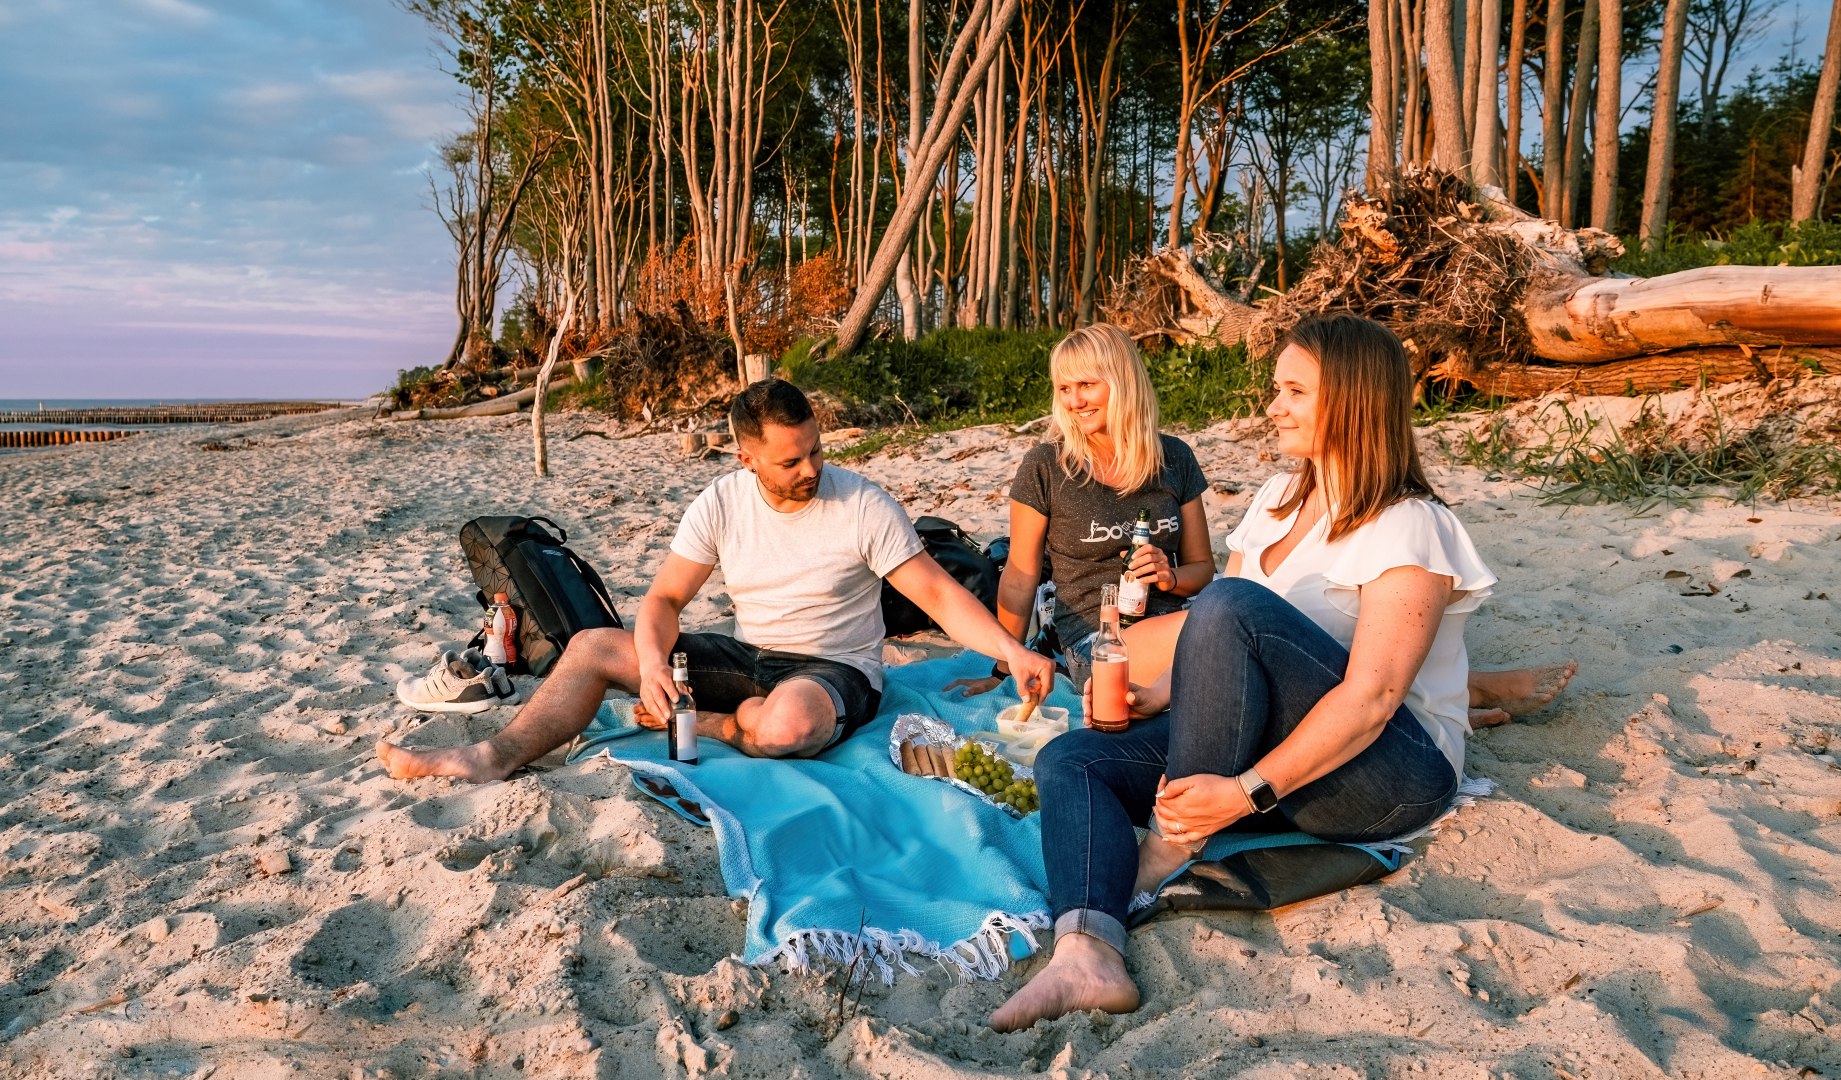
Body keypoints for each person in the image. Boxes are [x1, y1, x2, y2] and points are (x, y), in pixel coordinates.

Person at [990, 313, 1520, 1032]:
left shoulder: (1409, 524)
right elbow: (1215, 649)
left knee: (1230, 602)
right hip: (1277, 743)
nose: (1272, 407)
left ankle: (1175, 836)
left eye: (1294, 392)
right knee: (1071, 757)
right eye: (1277, 390)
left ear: (1354, 399)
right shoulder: (1274, 501)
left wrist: (1242, 795)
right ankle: (1088, 952)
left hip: (1390, 774)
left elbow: (1371, 700)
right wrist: (1157, 696)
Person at [379, 378, 1054, 783]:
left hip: (833, 669)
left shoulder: (862, 503)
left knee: (785, 726)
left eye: (816, 450)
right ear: (747, 456)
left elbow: (935, 591)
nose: (811, 468)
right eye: (792, 460)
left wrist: (1011, 651)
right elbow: (667, 599)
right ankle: (490, 757)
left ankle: (719, 728)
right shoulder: (723, 501)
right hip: (749, 655)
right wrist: (648, 663)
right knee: (589, 647)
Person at [953, 322, 1573, 727]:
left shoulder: (1174, 459)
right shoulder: (1047, 466)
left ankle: (1452, 696)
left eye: (1087, 384)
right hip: (1104, 637)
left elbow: (1206, 578)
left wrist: (1170, 577)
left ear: (1123, 386)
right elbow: (1019, 576)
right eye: (1063, 389)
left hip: (1185, 617)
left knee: (1251, 640)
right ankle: (1464, 694)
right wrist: (1005, 665)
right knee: (1237, 647)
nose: (1073, 401)